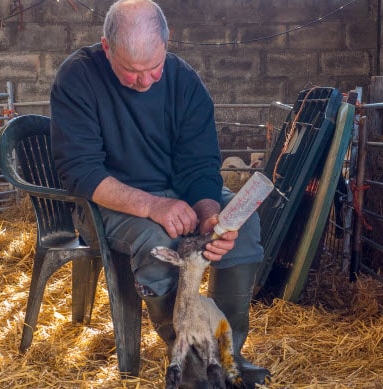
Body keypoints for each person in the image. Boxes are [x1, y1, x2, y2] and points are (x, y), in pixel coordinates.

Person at [49, 0, 270, 387]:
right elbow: (81, 171)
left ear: (166, 44)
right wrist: (152, 205)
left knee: (244, 228)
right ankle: (189, 362)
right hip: (107, 200)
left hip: (178, 193)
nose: (145, 81)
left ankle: (228, 354)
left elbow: (200, 165)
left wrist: (207, 214)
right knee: (158, 239)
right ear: (106, 48)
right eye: (131, 71)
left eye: (154, 68)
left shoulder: (185, 82)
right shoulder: (77, 78)